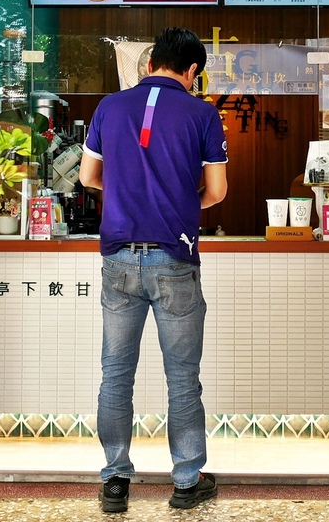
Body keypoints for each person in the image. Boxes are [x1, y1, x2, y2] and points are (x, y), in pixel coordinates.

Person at [79, 27, 228, 513]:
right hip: (175, 259)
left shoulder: (108, 108)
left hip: (118, 257)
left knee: (115, 375)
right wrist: (182, 204)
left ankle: (116, 480)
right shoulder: (203, 114)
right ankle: (186, 480)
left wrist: (129, 198)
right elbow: (218, 190)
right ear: (191, 72)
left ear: (149, 65)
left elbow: (88, 177)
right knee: (183, 376)